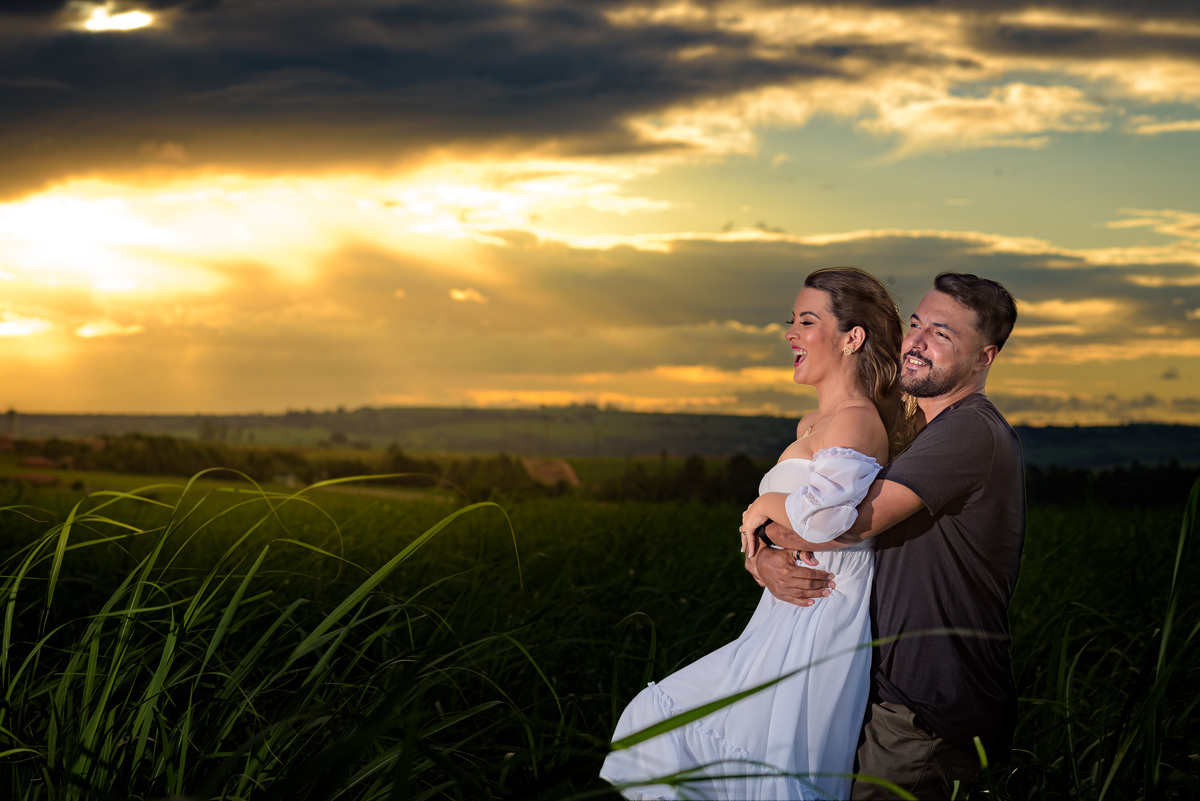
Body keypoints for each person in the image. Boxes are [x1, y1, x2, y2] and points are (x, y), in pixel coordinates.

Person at [601, 267, 910, 800]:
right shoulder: (812, 424)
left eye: (807, 321)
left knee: (725, 746)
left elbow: (822, 521)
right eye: (790, 320)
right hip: (782, 612)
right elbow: (795, 525)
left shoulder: (857, 420)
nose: (790, 332)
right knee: (682, 735)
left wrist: (761, 507)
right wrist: (761, 552)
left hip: (820, 618)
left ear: (852, 337)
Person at [749, 272, 1024, 799]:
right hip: (882, 685)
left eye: (941, 334)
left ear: (984, 358)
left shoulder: (970, 430)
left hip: (931, 704)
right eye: (916, 324)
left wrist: (761, 515)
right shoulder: (918, 432)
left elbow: (844, 527)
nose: (916, 342)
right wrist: (762, 560)